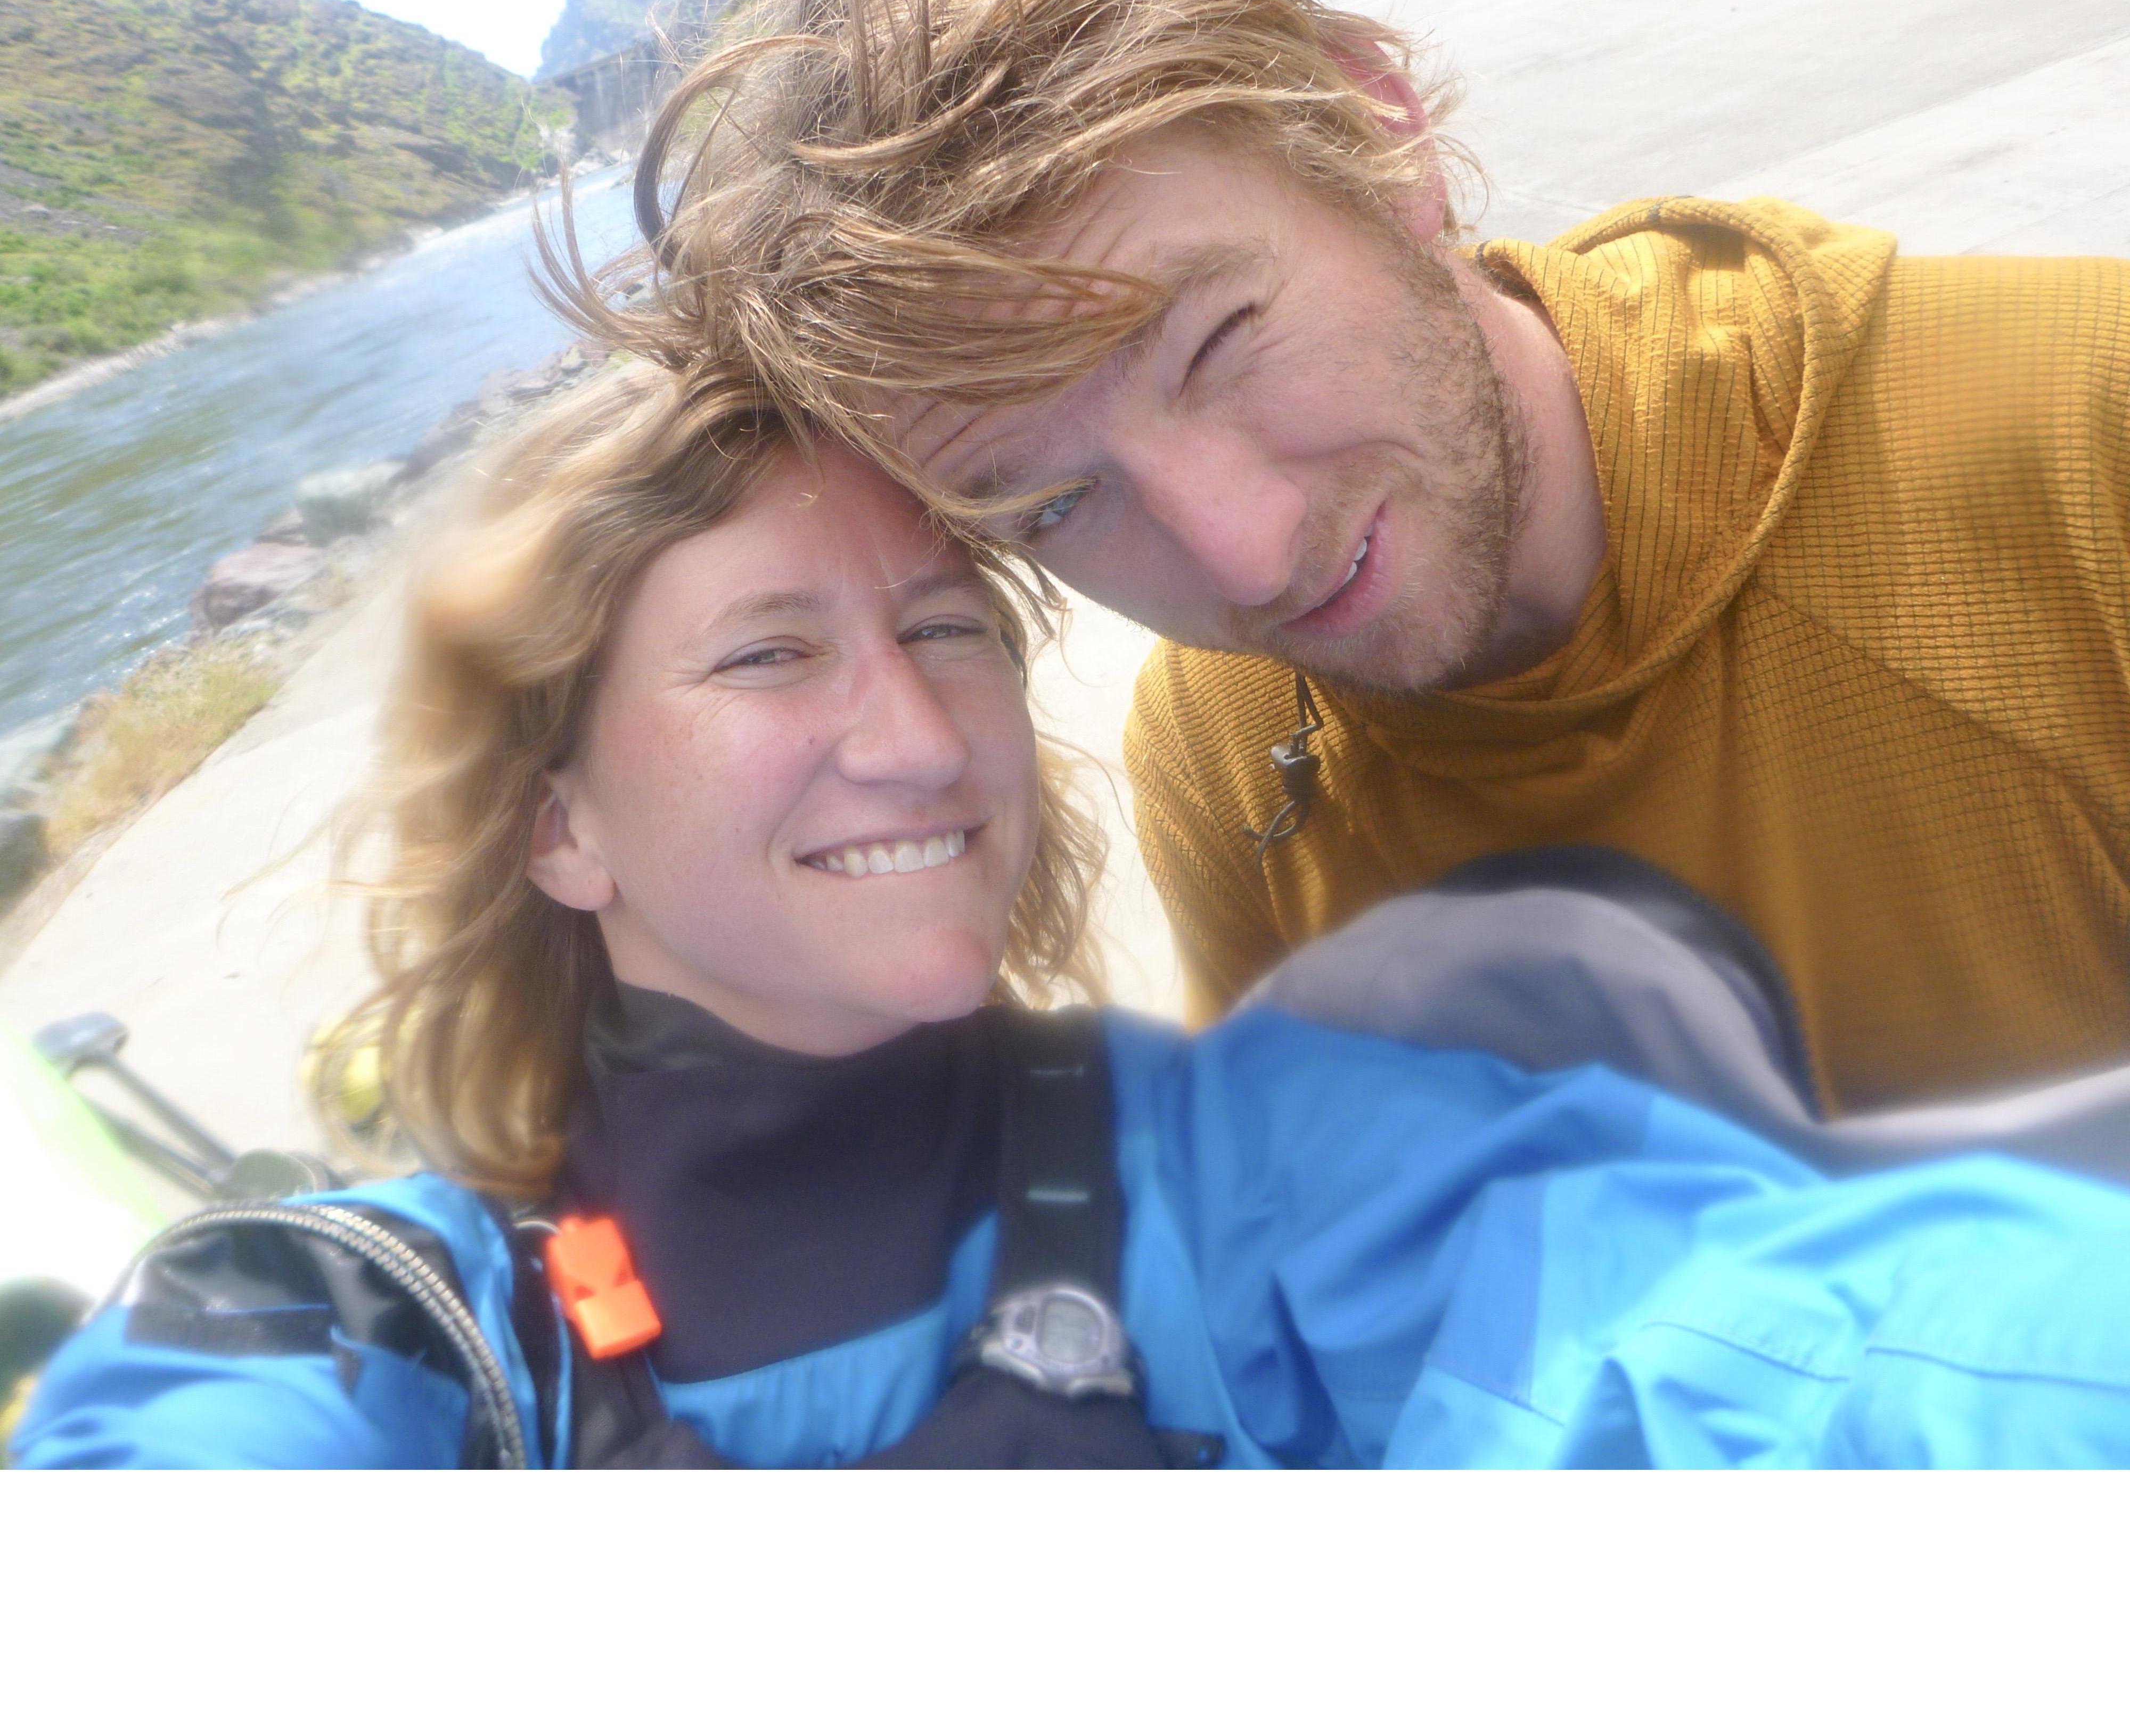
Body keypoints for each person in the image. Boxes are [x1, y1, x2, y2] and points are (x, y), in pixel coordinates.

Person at [21, 360, 2130, 1470]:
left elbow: (1771, 1343)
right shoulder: (357, 1316)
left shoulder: (1261, 1156)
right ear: (556, 821)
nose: (923, 739)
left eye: (948, 629)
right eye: (769, 658)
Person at [581, 0, 2130, 1119]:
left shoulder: (2085, 440)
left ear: (1375, 127)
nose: (1246, 558)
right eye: (1052, 506)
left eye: (1218, 340)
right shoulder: (1221, 754)